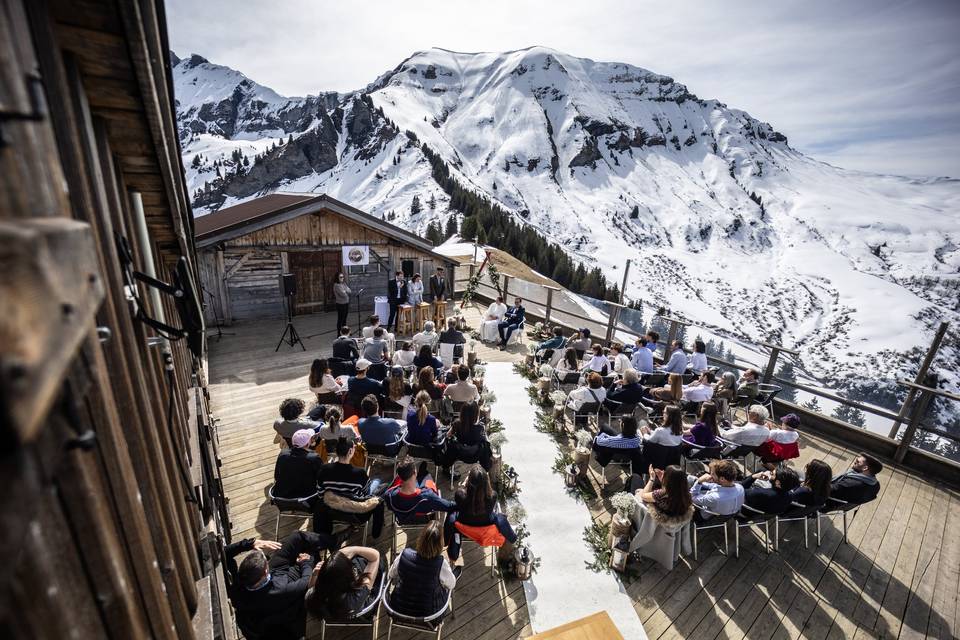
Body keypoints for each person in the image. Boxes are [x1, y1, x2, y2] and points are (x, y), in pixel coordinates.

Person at [226, 531, 336, 640]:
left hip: (276, 574)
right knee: (311, 554)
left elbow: (225, 553)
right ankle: (332, 546)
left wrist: (250, 543)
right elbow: (307, 581)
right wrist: (305, 563)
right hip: (285, 587)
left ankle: (333, 541)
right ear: (265, 572)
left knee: (297, 537)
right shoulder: (281, 591)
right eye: (266, 562)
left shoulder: (239, 583)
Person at [314, 437, 385, 537]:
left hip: (332, 511)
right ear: (350, 451)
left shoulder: (324, 469)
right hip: (356, 514)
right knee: (377, 481)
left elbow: (320, 493)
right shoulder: (359, 473)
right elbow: (365, 494)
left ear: (336, 451)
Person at [444, 467, 517, 562]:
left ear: (469, 482)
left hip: (464, 530)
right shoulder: (492, 497)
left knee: (452, 514)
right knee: (499, 517)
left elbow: (462, 496)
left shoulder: (460, 495)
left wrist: (463, 486)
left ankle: (450, 544)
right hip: (485, 532)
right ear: (487, 482)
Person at [388, 521, 457, 617]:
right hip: (429, 616)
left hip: (397, 609)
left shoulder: (404, 555)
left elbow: (391, 574)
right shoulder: (441, 564)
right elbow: (451, 584)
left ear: (421, 539)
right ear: (440, 543)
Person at [305, 546, 381, 620]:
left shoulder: (317, 595)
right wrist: (353, 549)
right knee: (381, 565)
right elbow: (375, 557)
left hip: (335, 615)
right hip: (360, 608)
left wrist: (315, 574)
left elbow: (310, 589)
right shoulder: (357, 593)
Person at [383, 458, 456, 523]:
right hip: (424, 519)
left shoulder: (389, 495)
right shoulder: (428, 496)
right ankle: (424, 473)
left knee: (421, 478)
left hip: (402, 520)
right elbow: (449, 506)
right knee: (427, 479)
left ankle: (422, 472)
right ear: (415, 473)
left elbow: (390, 506)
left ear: (399, 476)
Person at [274, 429, 324, 501]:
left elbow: (276, 476)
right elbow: (321, 478)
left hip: (282, 497)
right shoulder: (314, 458)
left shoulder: (283, 454)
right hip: (307, 498)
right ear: (307, 444)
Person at [442, 401, 491, 471]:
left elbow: (447, 435)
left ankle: (446, 469)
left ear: (462, 413)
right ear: (476, 414)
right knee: (484, 444)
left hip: (460, 455)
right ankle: (485, 470)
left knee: (451, 443)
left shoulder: (457, 424)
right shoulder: (480, 427)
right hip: (475, 456)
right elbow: (484, 440)